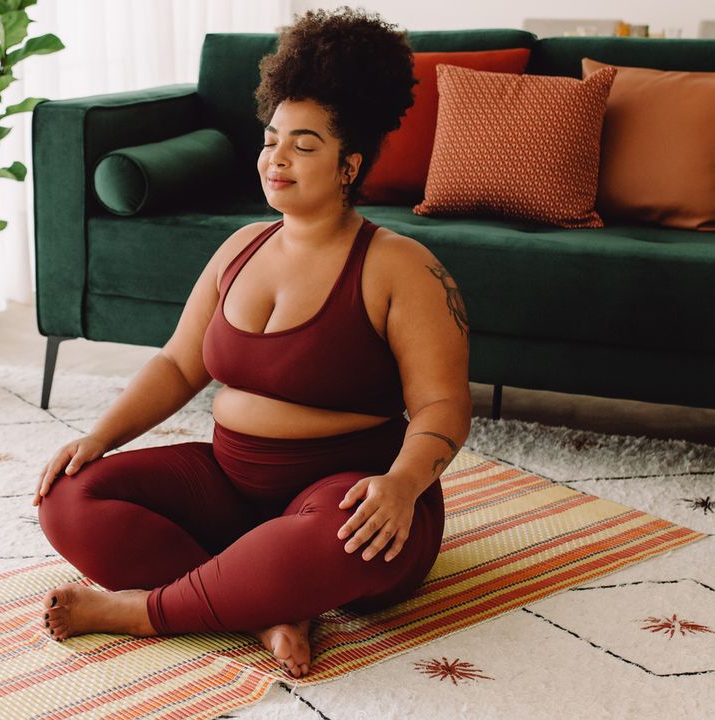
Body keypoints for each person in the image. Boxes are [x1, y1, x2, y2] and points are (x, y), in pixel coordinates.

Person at [32, 7, 471, 679]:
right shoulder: (239, 248)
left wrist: (401, 487)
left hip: (350, 496)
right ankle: (264, 607)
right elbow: (180, 364)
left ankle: (143, 612)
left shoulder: (402, 268)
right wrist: (99, 438)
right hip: (230, 488)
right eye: (271, 139)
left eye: (304, 144)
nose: (278, 158)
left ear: (349, 163)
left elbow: (444, 407)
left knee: (338, 544)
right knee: (68, 497)